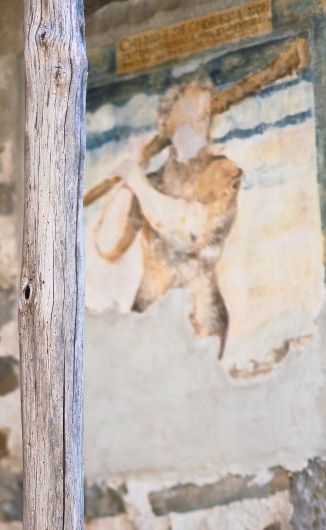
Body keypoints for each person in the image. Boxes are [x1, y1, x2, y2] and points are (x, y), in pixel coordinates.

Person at [94, 77, 242, 357]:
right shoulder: (151, 182)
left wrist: (137, 182)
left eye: (203, 114)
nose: (197, 123)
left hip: (200, 319)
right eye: (188, 113)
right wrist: (129, 180)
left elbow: (188, 235)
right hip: (147, 316)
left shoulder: (224, 173)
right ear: (166, 124)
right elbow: (107, 245)